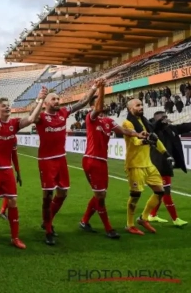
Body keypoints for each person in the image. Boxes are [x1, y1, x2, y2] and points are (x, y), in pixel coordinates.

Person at [34, 80, 101, 245]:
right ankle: (48, 230)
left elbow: (82, 102)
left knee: (62, 193)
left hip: (61, 159)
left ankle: (47, 221)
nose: (57, 101)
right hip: (46, 161)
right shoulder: (41, 116)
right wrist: (39, 99)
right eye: (54, 99)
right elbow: (31, 117)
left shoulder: (63, 112)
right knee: (47, 197)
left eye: (58, 99)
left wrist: (94, 87)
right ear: (46, 103)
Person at [79, 82, 147, 239]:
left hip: (102, 161)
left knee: (100, 194)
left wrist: (138, 134)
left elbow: (123, 130)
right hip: (91, 160)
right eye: (99, 102)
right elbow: (98, 108)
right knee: (100, 196)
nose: (104, 104)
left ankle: (84, 221)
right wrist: (102, 88)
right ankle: (108, 228)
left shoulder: (109, 121)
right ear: (92, 106)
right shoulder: (91, 118)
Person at [0, 91, 46, 249]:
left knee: (13, 201)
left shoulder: (14, 123)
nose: (7, 107)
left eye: (8, 105)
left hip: (6, 169)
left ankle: (15, 237)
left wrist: (40, 100)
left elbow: (31, 119)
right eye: (4, 106)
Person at [122, 99, 169, 235]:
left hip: (148, 164)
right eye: (137, 105)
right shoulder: (127, 123)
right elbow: (134, 140)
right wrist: (146, 140)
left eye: (141, 105)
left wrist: (166, 154)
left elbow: (155, 139)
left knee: (160, 192)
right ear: (130, 109)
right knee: (135, 195)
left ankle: (143, 218)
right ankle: (129, 224)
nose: (141, 107)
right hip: (135, 165)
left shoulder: (145, 122)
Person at [148, 111, 189, 226]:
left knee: (160, 192)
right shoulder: (153, 130)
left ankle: (152, 215)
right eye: (163, 117)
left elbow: (185, 126)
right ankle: (175, 219)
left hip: (167, 164)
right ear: (157, 120)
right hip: (158, 165)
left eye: (166, 116)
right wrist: (160, 122)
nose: (166, 118)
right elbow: (154, 127)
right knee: (166, 192)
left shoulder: (171, 128)